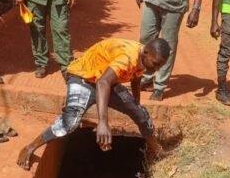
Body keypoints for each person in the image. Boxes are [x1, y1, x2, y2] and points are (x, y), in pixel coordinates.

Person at [17, 38, 170, 170]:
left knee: (141, 113)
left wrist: (136, 105)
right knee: (69, 124)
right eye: (155, 64)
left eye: (160, 66)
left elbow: (135, 78)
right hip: (82, 78)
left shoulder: (143, 57)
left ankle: (157, 150)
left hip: (104, 80)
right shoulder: (127, 58)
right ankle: (29, 148)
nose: (156, 69)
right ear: (146, 53)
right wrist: (103, 123)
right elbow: (103, 83)